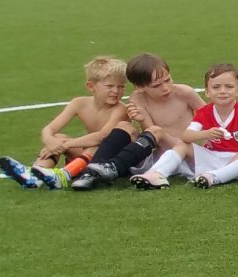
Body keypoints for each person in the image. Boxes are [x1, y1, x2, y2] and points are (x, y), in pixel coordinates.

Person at [68, 51, 201, 190]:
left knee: (156, 131)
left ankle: (113, 167)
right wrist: (141, 120)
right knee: (125, 126)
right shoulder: (138, 98)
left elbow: (211, 116)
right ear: (140, 87)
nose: (166, 88)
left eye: (167, 80)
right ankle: (90, 173)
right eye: (156, 85)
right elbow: (151, 137)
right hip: (159, 153)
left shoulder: (184, 92)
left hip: (186, 153)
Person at [133, 62, 238, 188]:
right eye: (216, 87)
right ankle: (156, 174)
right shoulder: (205, 112)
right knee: (183, 145)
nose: (222, 91)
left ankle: (215, 177)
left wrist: (233, 163)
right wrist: (205, 134)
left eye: (229, 87)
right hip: (214, 155)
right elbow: (186, 136)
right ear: (207, 92)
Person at [4, 56, 126, 189]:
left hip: (109, 159)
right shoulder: (79, 103)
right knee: (58, 138)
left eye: (121, 86)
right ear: (91, 86)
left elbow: (102, 136)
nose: (116, 91)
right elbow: (49, 129)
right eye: (110, 86)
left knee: (93, 147)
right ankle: (35, 174)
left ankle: (63, 175)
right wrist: (50, 141)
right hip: (87, 155)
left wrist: (65, 145)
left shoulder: (120, 109)